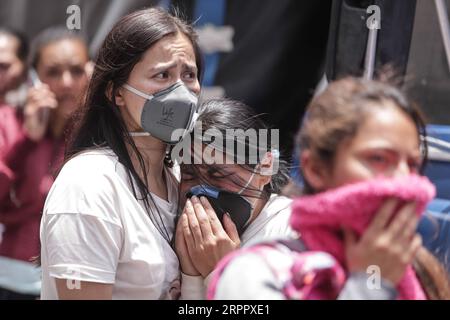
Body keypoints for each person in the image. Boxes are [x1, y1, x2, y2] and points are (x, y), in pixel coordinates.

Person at [208, 76, 450, 300]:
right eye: (378, 159)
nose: (402, 179)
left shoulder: (419, 272)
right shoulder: (258, 272)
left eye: (412, 164)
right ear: (316, 169)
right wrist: (372, 283)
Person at [39, 7, 203, 300]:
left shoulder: (179, 178)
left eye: (189, 74)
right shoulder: (89, 183)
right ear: (116, 93)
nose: (180, 91)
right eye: (162, 75)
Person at [0, 27, 90, 299]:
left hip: (80, 278)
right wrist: (27, 140)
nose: (65, 83)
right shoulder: (8, 123)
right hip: (12, 279)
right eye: (53, 72)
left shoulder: (98, 132)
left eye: (76, 71)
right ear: (34, 77)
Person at [173, 99, 295, 299]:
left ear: (264, 169)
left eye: (218, 175)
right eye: (189, 175)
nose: (202, 190)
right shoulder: (178, 230)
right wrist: (192, 278)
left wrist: (222, 271)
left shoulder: (291, 231)